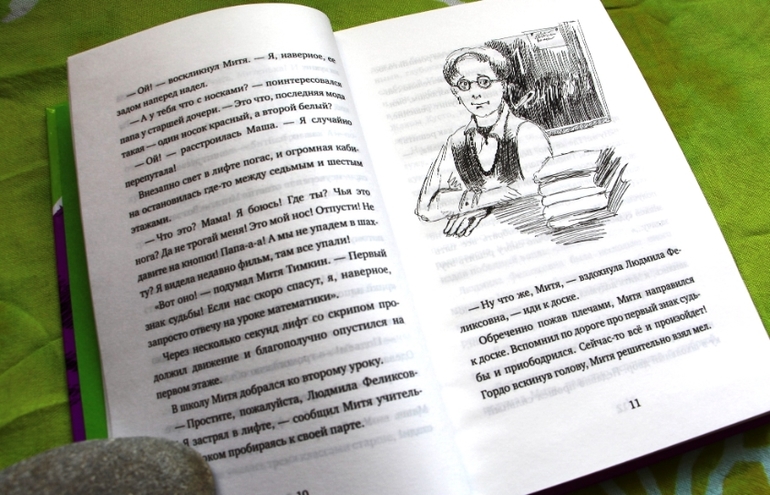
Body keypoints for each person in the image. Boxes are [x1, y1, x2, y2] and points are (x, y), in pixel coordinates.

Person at [415, 45, 552, 237]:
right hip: (481, 238)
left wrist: (476, 205)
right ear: (456, 93)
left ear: (502, 85)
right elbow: (425, 207)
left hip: (529, 235)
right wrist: (479, 203)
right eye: (464, 85)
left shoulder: (525, 132)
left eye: (484, 82)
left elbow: (539, 188)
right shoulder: (457, 141)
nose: (475, 93)